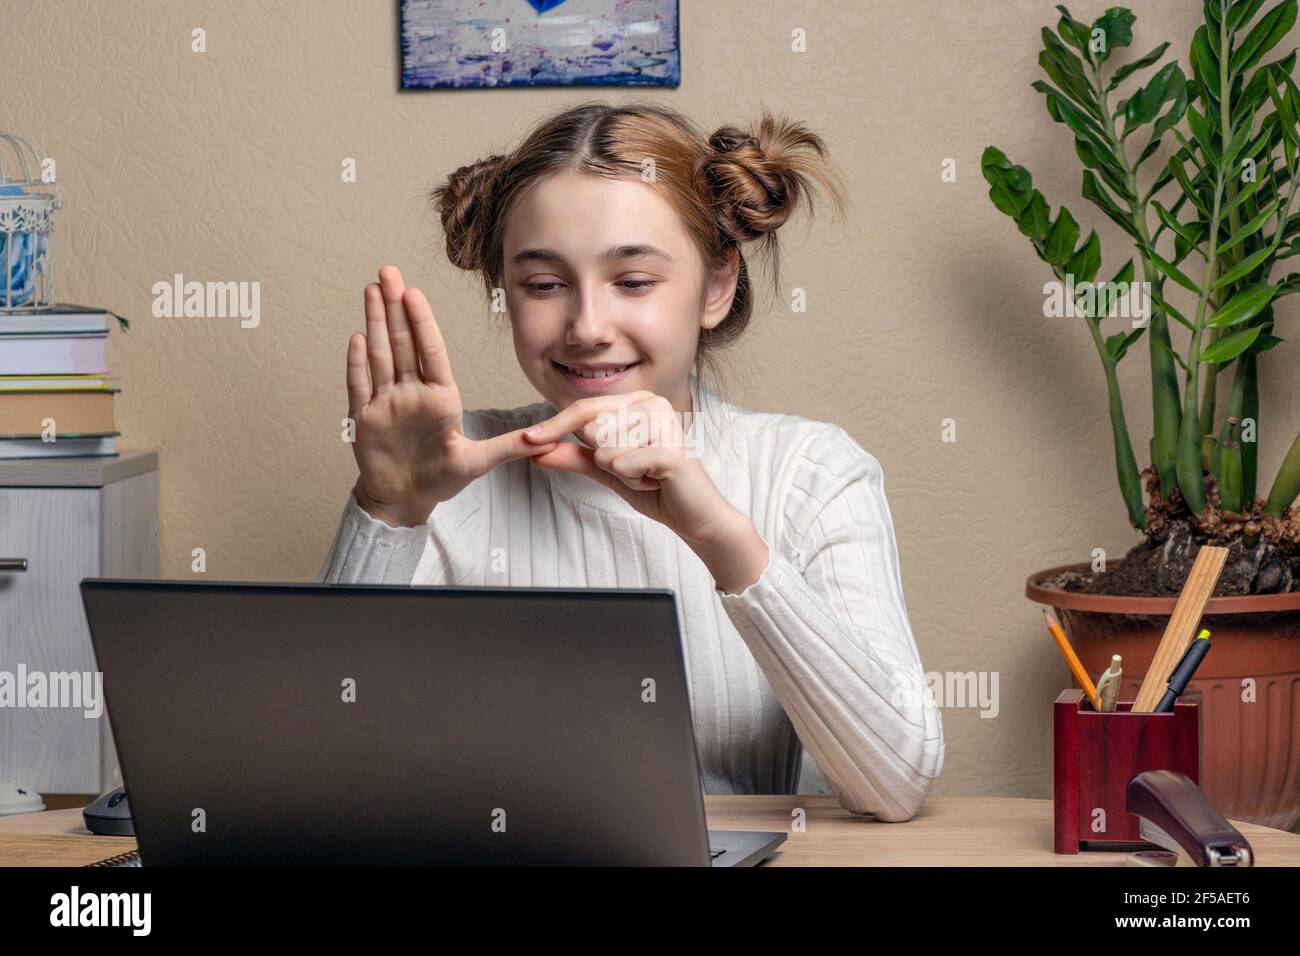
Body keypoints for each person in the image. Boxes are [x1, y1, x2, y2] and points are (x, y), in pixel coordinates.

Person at [318, 101, 943, 821]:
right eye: (544, 285)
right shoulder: (449, 471)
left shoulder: (810, 473)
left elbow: (895, 783)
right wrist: (390, 509)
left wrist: (719, 535)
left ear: (714, 286)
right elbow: (322, 777)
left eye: (634, 281)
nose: (587, 328)